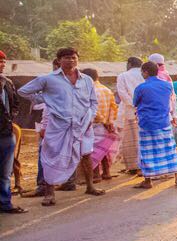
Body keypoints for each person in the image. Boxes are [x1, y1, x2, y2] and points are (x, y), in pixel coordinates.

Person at [18, 47, 105, 206]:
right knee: (51, 156)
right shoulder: (48, 79)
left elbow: (93, 102)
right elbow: (23, 91)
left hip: (82, 124)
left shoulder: (86, 79)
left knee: (86, 154)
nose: (70, 61)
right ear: (59, 60)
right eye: (66, 58)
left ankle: (90, 186)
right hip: (58, 125)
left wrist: (91, 117)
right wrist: (42, 99)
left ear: (77, 59)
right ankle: (49, 193)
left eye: (73, 57)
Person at [133, 61, 177, 189]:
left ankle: (148, 180)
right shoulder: (167, 85)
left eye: (142, 72)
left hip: (146, 123)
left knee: (146, 152)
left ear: (146, 72)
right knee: (169, 150)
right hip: (163, 122)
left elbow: (135, 102)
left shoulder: (141, 88)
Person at [80, 68, 118, 184]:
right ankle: (106, 172)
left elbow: (93, 110)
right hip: (106, 124)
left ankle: (96, 174)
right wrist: (110, 121)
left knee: (92, 150)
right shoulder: (106, 90)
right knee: (103, 149)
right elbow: (113, 107)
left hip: (95, 124)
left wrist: (103, 121)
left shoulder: (88, 91)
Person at [0, 50, 26, 214]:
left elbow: (16, 103)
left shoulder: (7, 83)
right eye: (0, 61)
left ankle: (5, 203)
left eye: (3, 61)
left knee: (4, 172)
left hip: (6, 132)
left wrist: (9, 119)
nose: (2, 64)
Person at [116, 56, 144, 173]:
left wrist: (133, 104)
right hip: (144, 110)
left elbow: (122, 93)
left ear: (130, 64)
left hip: (130, 111)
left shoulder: (123, 76)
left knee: (131, 140)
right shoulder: (144, 74)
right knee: (142, 139)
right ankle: (142, 166)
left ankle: (134, 167)